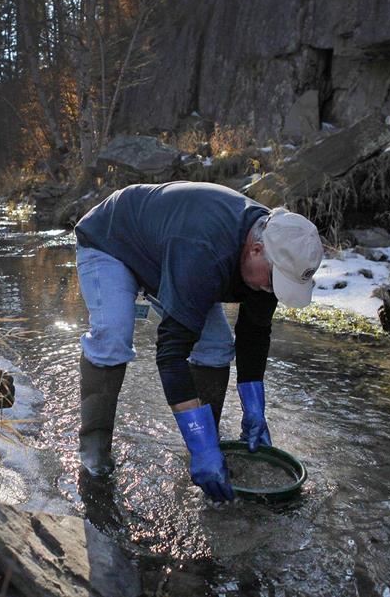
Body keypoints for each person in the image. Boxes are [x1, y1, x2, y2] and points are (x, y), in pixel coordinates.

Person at [73, 181, 323, 502]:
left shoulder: (275, 257)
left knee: (216, 347)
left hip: (170, 252)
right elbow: (171, 352)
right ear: (256, 250)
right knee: (113, 336)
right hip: (112, 240)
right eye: (275, 281)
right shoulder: (205, 252)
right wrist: (200, 444)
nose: (274, 290)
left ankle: (207, 441)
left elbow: (254, 332)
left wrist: (254, 409)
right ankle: (94, 448)